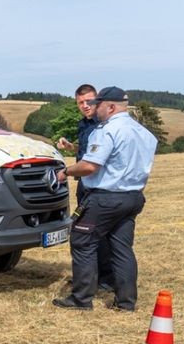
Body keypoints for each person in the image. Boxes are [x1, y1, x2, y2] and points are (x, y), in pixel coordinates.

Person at [53, 87, 156, 312]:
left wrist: (67, 172)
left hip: (105, 198)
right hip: (133, 197)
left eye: (97, 104)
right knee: (122, 248)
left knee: (82, 240)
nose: (93, 108)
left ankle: (81, 298)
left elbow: (90, 165)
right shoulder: (143, 132)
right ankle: (126, 302)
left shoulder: (106, 130)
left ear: (110, 107)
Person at [56, 84, 114, 291]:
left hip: (98, 185)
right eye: (80, 103)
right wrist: (71, 147)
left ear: (97, 100)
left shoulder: (103, 124)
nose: (85, 106)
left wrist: (68, 171)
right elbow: (89, 150)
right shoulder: (84, 124)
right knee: (87, 232)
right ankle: (90, 276)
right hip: (84, 184)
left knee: (97, 233)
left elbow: (96, 160)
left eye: (89, 101)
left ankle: (106, 280)